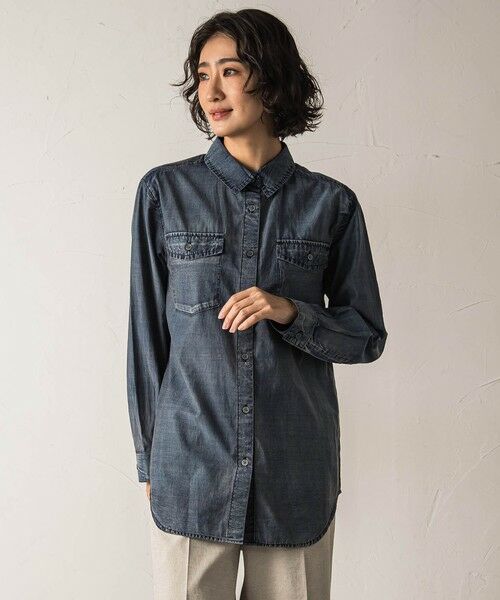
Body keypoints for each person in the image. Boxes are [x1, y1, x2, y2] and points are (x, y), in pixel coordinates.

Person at [126, 8, 388, 600]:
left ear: (270, 78)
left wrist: (290, 311)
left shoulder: (331, 205)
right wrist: (149, 460)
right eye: (202, 74)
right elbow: (146, 340)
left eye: (230, 71)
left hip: (293, 473)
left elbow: (365, 335)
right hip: (190, 468)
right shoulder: (164, 193)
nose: (211, 91)